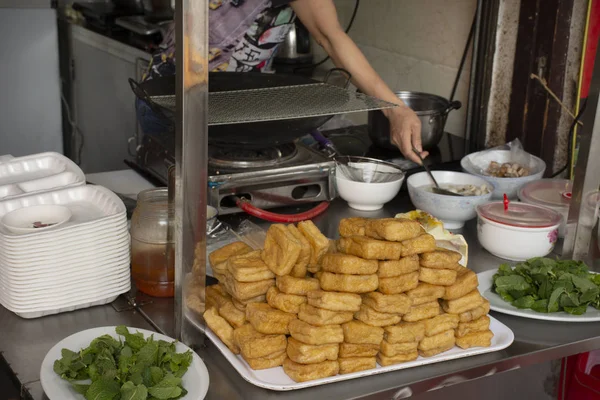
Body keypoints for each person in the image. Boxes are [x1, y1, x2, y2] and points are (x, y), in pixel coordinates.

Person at [137, 0, 427, 163]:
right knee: (178, 216)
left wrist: (394, 110)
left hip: (236, 111)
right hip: (172, 103)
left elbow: (330, 36)